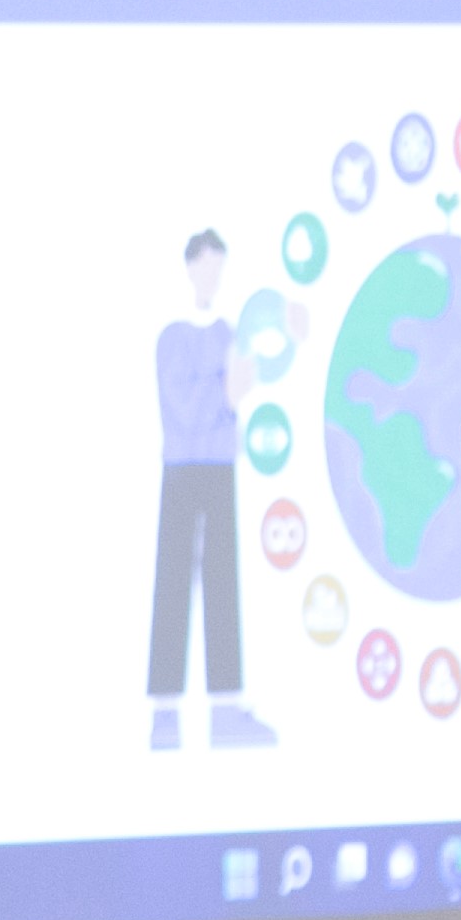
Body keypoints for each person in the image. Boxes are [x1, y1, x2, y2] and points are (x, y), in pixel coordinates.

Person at [147, 229, 304, 750]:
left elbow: (249, 380)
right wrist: (224, 392)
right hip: (181, 468)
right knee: (173, 583)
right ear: (190, 267)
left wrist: (290, 336)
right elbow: (186, 406)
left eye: (220, 267)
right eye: (206, 266)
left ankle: (226, 708)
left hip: (219, 467)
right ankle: (164, 714)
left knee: (221, 582)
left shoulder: (229, 334)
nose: (212, 276)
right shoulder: (170, 336)